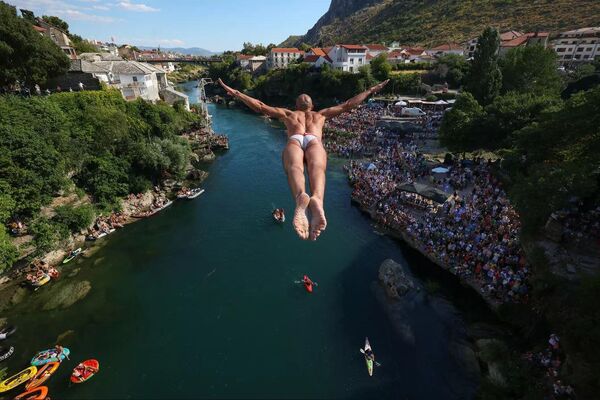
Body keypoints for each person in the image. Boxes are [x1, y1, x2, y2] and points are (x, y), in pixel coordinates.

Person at [218, 78, 389, 240]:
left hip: (295, 139)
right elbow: (349, 104)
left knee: (294, 168)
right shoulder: (320, 115)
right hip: (314, 140)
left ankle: (301, 196)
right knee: (317, 169)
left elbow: (260, 106)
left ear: (296, 105)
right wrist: (371, 90)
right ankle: (317, 200)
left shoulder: (288, 114)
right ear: (312, 105)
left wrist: (237, 93)